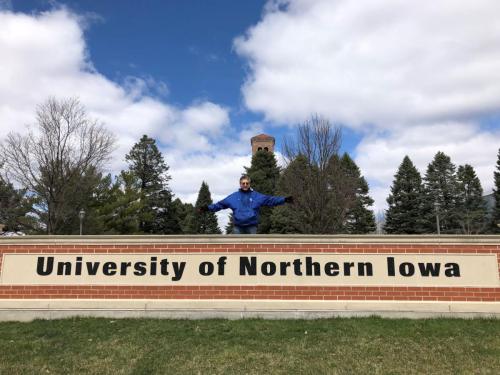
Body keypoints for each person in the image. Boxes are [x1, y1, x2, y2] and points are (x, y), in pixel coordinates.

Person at [200, 175, 293, 234]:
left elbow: (271, 200)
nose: (245, 185)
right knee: (237, 250)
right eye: (243, 183)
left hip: (251, 227)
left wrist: (284, 199)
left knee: (251, 250)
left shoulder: (256, 196)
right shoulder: (233, 197)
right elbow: (219, 205)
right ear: (240, 184)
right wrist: (207, 208)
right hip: (238, 228)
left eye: (247, 183)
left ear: (249, 184)